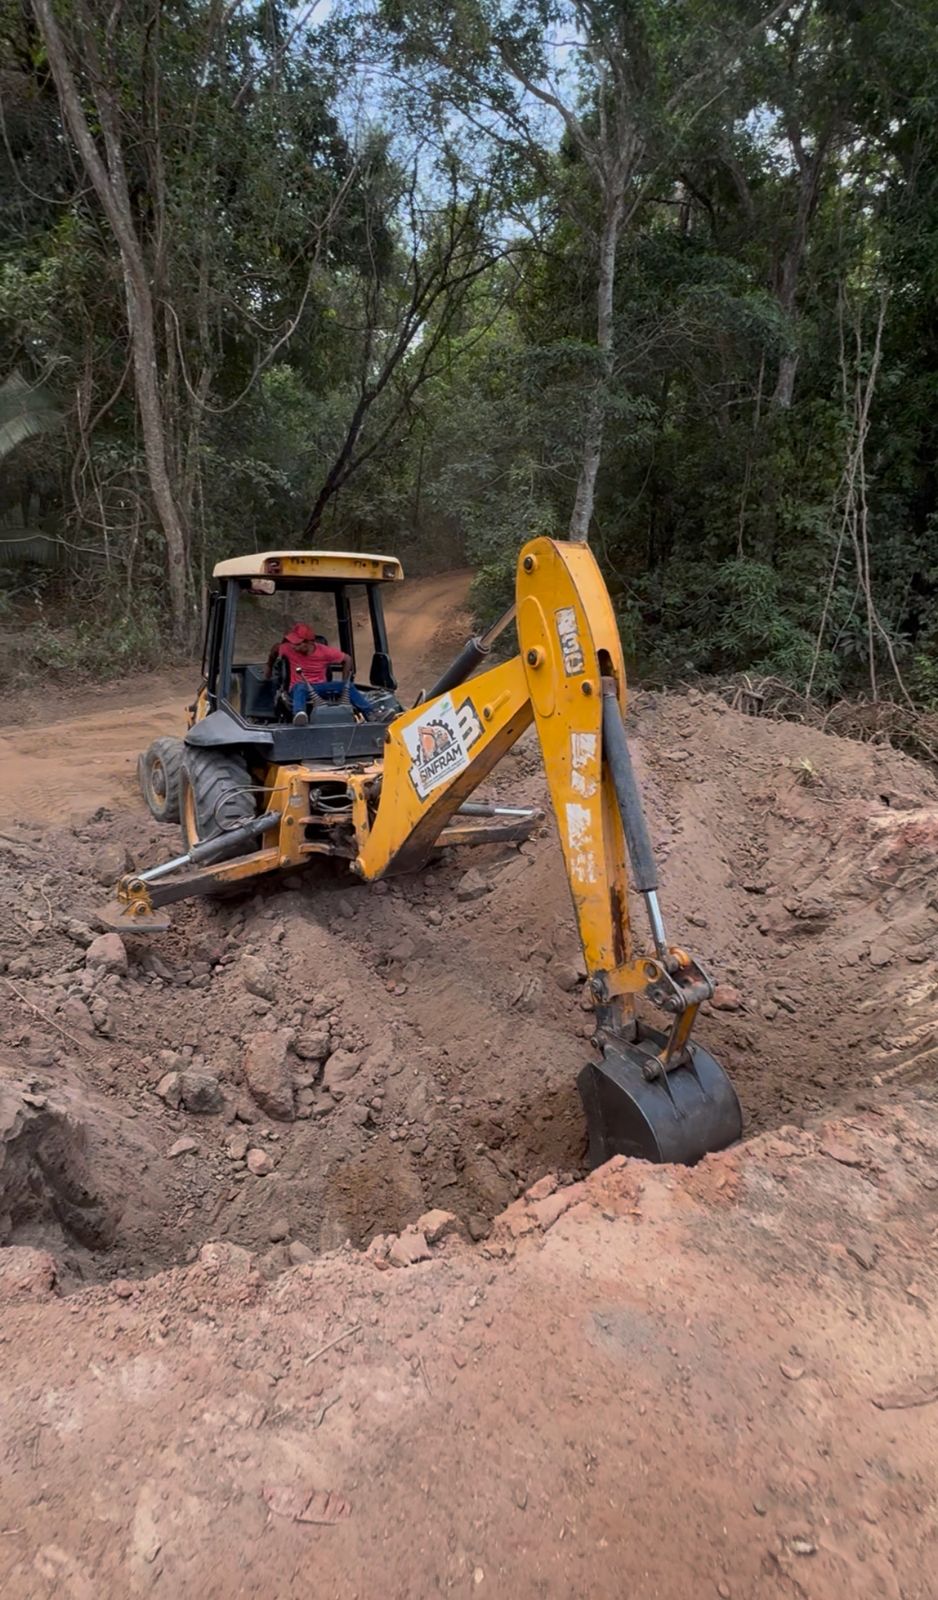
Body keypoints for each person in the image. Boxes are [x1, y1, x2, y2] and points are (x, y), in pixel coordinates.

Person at [266, 622, 373, 724]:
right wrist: (269, 667)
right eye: (293, 643)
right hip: (299, 687)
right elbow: (275, 649)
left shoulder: (324, 652)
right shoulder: (288, 649)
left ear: (309, 643)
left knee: (347, 686)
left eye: (298, 644)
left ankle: (370, 713)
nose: (294, 646)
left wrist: (345, 682)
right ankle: (299, 715)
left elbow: (347, 659)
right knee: (300, 687)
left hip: (320, 687)